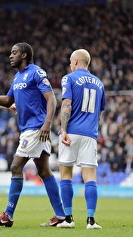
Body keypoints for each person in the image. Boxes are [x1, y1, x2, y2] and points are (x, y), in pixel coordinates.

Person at [0, 42, 65, 227]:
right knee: (44, 171)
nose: (10, 56)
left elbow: (51, 98)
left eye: (14, 53)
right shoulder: (17, 77)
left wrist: (47, 123)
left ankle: (8, 214)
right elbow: (7, 100)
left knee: (15, 166)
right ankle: (61, 216)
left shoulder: (36, 72)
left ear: (25, 55)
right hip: (29, 128)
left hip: (36, 128)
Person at [56, 49, 105, 229]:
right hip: (90, 134)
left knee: (66, 174)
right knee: (90, 175)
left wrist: (63, 129)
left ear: (76, 61)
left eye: (70, 60)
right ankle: (91, 220)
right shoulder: (99, 83)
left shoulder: (69, 78)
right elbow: (99, 112)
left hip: (72, 131)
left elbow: (66, 104)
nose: (70, 63)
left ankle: (68, 219)